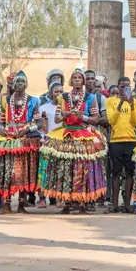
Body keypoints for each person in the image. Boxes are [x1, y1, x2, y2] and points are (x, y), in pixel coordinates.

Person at [39, 69, 107, 214]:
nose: (77, 79)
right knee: (65, 169)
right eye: (74, 77)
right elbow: (57, 119)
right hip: (66, 134)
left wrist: (83, 117)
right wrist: (64, 114)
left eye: (79, 77)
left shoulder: (90, 97)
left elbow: (96, 118)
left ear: (83, 81)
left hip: (83, 134)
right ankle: (67, 203)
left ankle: (82, 202)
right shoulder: (63, 97)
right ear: (71, 80)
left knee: (83, 169)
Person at [0, 71, 40, 214]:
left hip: (25, 139)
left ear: (26, 84)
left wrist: (26, 130)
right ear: (13, 85)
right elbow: (0, 121)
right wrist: (0, 129)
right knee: (6, 172)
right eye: (17, 82)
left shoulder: (33, 100)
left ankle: (21, 205)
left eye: (22, 82)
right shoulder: (5, 100)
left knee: (23, 173)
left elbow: (38, 122)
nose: (19, 84)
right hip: (7, 138)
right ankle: (6, 204)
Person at [106, 81, 136, 214]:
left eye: (127, 87)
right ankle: (114, 204)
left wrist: (131, 105)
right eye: (122, 87)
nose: (124, 89)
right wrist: (121, 103)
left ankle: (127, 204)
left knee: (130, 172)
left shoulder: (135, 102)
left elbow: (135, 122)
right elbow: (111, 121)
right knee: (115, 172)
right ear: (118, 87)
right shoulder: (110, 101)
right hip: (116, 140)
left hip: (131, 140)